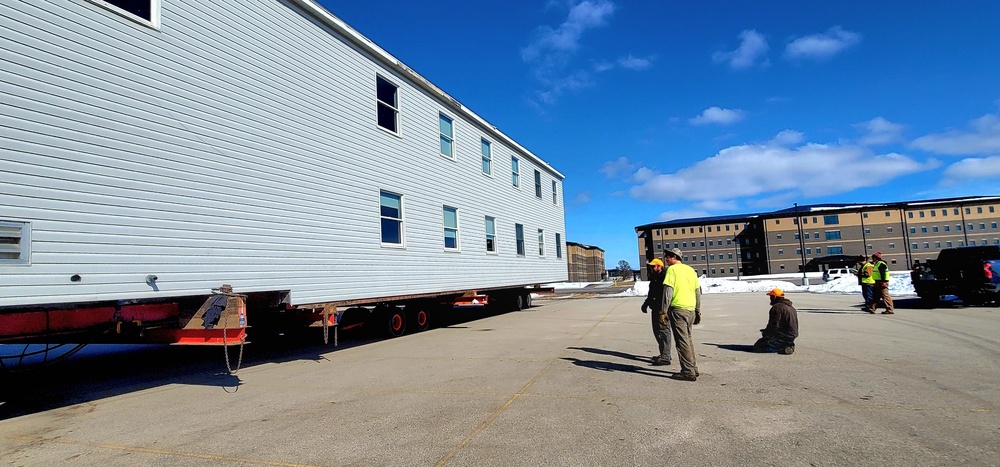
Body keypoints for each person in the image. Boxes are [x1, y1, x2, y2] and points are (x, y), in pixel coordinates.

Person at [661, 248, 701, 381]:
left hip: (678, 309)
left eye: (667, 256)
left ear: (673, 257)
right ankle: (693, 367)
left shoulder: (671, 270)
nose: (665, 259)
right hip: (690, 309)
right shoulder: (690, 270)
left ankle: (688, 371)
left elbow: (668, 292)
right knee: (688, 339)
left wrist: (663, 311)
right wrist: (697, 310)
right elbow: (697, 292)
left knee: (681, 341)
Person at [641, 258, 671, 365]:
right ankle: (663, 353)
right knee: (656, 331)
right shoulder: (654, 278)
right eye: (651, 266)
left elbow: (667, 293)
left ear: (660, 266)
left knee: (664, 331)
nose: (651, 268)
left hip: (662, 308)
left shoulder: (665, 277)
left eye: (654, 266)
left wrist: (665, 309)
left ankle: (666, 356)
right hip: (654, 308)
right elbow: (651, 293)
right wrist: (645, 304)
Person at [753, 288, 799, 354]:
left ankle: (783, 347)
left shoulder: (777, 308)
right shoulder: (791, 307)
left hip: (783, 334)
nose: (770, 299)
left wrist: (766, 333)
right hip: (792, 334)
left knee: (758, 346)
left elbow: (774, 324)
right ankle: (788, 344)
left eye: (771, 297)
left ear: (774, 297)